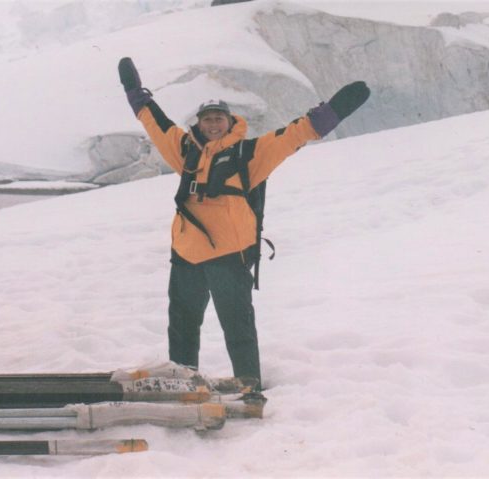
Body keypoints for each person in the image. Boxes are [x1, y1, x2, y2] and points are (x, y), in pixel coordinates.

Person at [118, 57, 369, 387]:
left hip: (229, 256)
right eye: (207, 119)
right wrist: (136, 94)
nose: (213, 124)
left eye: (218, 119)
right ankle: (182, 384)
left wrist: (330, 113)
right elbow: (158, 124)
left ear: (229, 121)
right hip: (186, 255)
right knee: (182, 325)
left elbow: (291, 136)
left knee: (237, 325)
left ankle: (248, 385)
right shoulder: (186, 151)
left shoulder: (248, 154)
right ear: (199, 123)